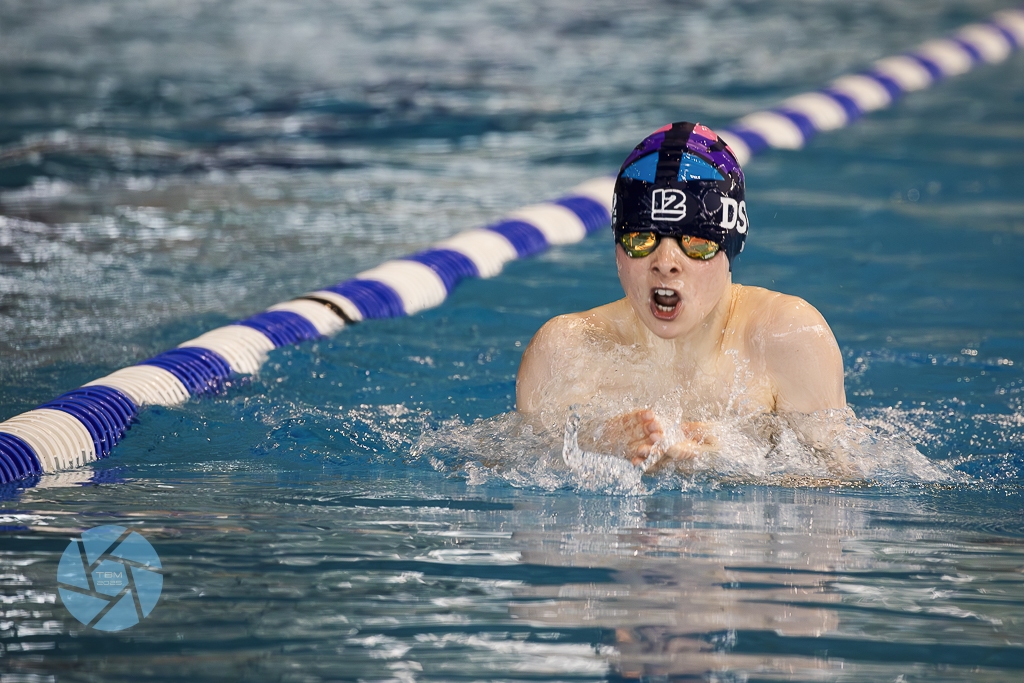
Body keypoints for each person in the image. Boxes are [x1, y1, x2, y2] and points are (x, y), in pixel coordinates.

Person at [515, 122, 846, 471]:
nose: (665, 263)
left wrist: (732, 458)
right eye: (642, 239)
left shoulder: (789, 338)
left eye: (695, 242)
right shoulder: (565, 352)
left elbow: (839, 482)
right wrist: (595, 445)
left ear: (731, 246)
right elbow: (514, 469)